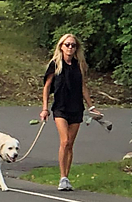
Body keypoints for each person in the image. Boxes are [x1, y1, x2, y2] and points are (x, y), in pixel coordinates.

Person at [40, 33, 99, 191]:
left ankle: (67, 177)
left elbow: (83, 87)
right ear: (61, 46)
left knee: (70, 144)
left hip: (76, 108)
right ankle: (62, 177)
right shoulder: (55, 64)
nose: (70, 48)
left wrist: (91, 107)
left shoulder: (79, 65)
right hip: (60, 107)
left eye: (73, 45)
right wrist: (45, 108)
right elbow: (46, 87)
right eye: (67, 45)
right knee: (64, 141)